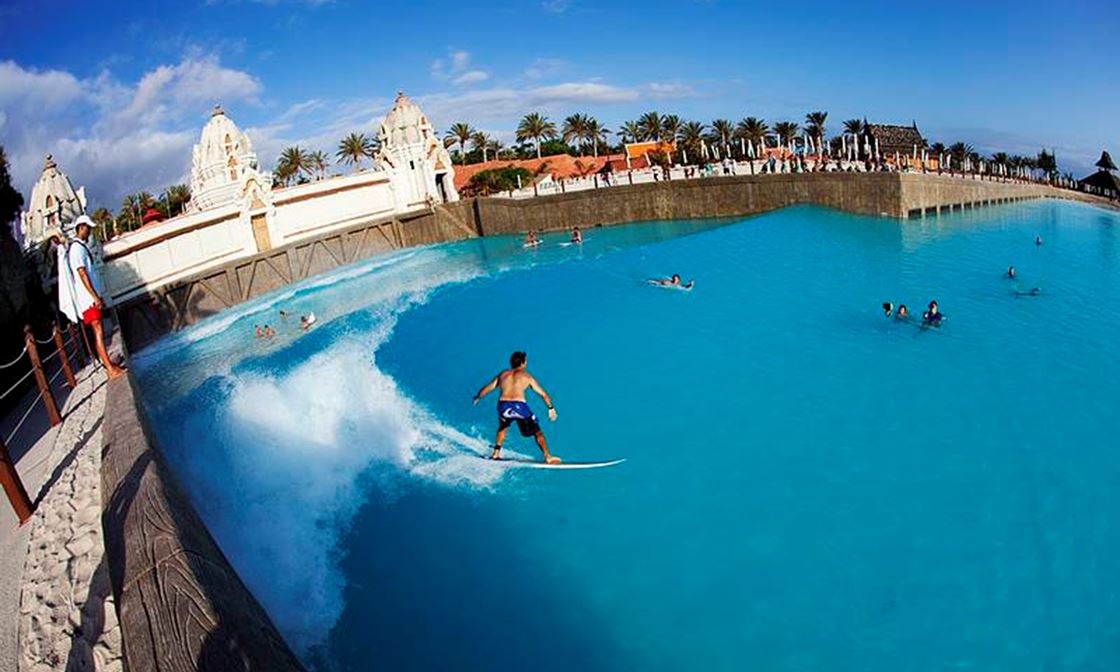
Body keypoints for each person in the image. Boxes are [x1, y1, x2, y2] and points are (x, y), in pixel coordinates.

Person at [62, 216, 127, 379]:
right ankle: (110, 369)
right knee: (98, 332)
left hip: (91, 299)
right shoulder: (77, 249)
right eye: (88, 228)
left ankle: (109, 366)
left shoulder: (80, 248)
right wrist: (95, 297)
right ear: (81, 227)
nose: (89, 232)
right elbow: (82, 273)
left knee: (99, 332)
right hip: (88, 300)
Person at [473, 351, 559, 464]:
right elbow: (543, 394)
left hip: (503, 406)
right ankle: (547, 456)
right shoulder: (527, 377)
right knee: (538, 432)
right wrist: (550, 408)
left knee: (503, 427)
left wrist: (478, 397)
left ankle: (495, 453)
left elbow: (487, 388)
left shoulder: (503, 375)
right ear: (523, 363)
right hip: (519, 407)